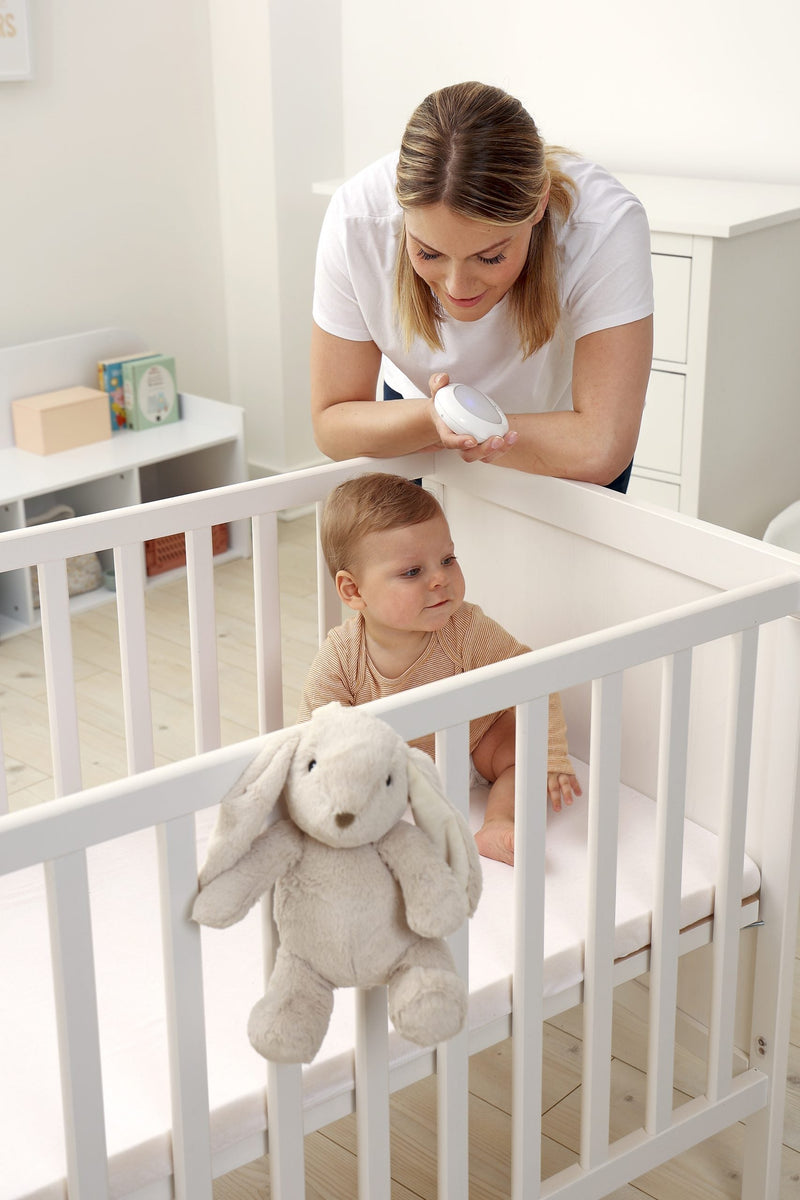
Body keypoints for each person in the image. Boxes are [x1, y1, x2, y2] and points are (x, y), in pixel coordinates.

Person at [311, 81, 654, 492]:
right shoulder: (358, 221)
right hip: (416, 410)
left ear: (539, 206)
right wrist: (429, 419)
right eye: (428, 253)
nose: (457, 287)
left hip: (559, 435)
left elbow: (600, 447)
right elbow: (332, 424)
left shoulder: (603, 226)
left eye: (490, 257)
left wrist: (462, 426)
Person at [297, 473, 581, 865]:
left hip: (477, 743)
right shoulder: (341, 657)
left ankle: (499, 822)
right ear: (353, 591)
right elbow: (314, 736)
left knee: (523, 751)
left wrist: (551, 755)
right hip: (395, 769)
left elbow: (532, 675)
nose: (440, 579)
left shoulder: (465, 629)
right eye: (413, 572)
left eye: (447, 559)